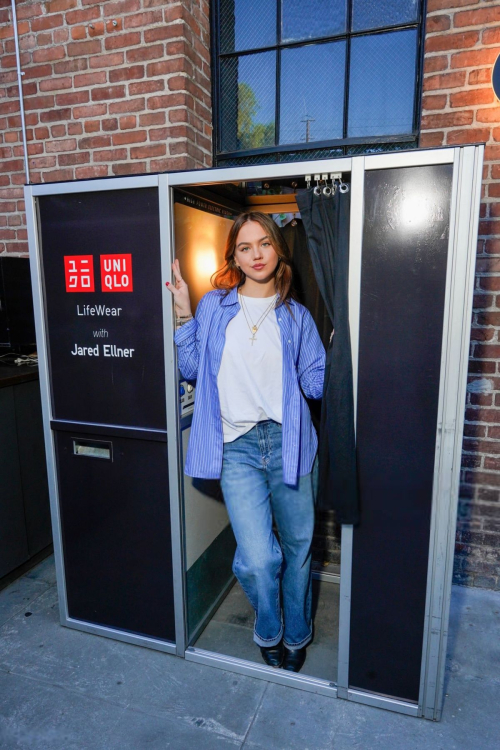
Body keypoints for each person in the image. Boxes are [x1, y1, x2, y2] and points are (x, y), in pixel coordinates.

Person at [166, 211, 325, 673]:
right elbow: (192, 368)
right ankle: (270, 627)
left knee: (298, 548)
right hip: (236, 448)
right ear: (233, 255)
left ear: (279, 250)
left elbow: (315, 383)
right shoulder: (216, 307)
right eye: (245, 247)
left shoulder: (297, 316)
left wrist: (340, 359)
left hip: (289, 443)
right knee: (259, 559)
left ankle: (296, 634)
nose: (256, 255)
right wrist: (183, 311)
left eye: (264, 245)